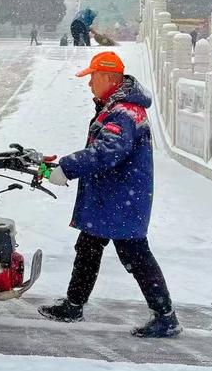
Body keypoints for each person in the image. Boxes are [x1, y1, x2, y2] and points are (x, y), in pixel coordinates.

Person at [39, 51, 180, 338]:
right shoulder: (116, 107)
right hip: (113, 197)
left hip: (121, 199)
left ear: (108, 78)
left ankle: (165, 316)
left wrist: (66, 168)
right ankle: (74, 304)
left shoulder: (124, 113)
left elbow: (107, 152)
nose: (90, 84)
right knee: (88, 247)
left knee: (136, 255)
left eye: (92, 78)